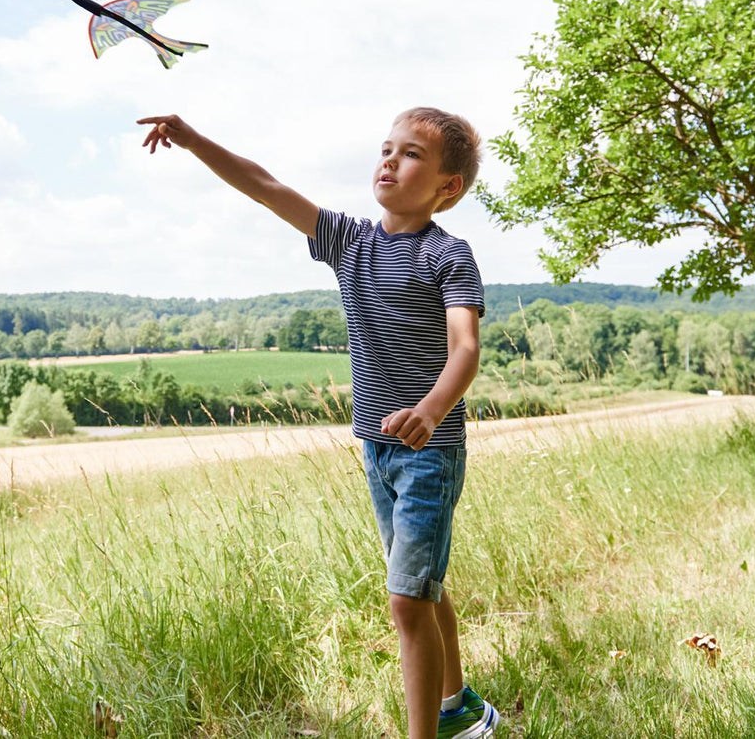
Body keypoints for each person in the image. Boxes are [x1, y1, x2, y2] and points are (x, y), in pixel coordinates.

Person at [137, 108, 497, 739]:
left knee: (405, 599)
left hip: (430, 451)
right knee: (421, 584)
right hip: (376, 449)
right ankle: (459, 704)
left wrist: (431, 408)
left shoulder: (449, 255)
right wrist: (192, 139)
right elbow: (264, 184)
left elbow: (464, 348)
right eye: (386, 148)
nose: (389, 160)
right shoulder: (350, 241)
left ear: (448, 188)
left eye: (411, 154)